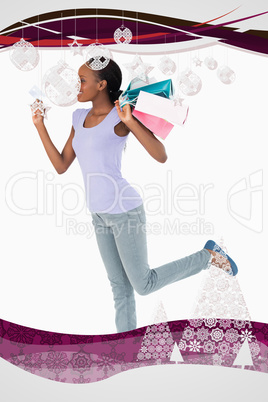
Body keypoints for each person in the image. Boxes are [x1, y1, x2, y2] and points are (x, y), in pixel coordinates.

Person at [32, 57, 238, 334]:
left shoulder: (121, 116)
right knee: (119, 287)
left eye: (81, 80)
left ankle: (207, 256)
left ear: (102, 84)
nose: (75, 86)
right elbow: (60, 165)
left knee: (143, 284)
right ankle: (124, 347)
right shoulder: (78, 118)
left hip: (125, 211)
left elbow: (161, 155)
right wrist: (40, 126)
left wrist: (130, 119)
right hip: (98, 214)